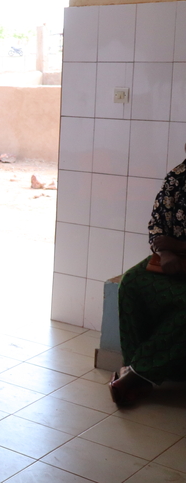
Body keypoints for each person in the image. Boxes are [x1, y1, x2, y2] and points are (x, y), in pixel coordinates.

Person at [110, 152, 186, 407]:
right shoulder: (178, 176)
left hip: (180, 255)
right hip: (171, 260)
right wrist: (165, 252)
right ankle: (134, 369)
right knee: (131, 283)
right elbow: (156, 225)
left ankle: (135, 375)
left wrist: (177, 246)